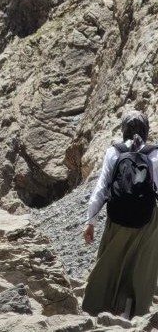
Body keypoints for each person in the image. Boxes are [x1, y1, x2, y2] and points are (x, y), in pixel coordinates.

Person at [82, 111, 158, 318]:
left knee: (110, 261)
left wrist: (90, 221)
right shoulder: (155, 154)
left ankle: (98, 308)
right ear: (146, 129)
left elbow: (101, 188)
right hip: (147, 221)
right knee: (141, 267)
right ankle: (135, 313)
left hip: (117, 218)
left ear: (123, 128)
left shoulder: (114, 152)